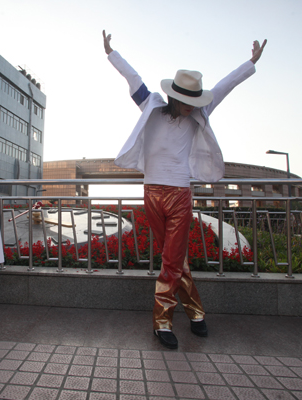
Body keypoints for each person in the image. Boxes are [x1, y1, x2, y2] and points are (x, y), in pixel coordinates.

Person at [102, 30, 266, 349]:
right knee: (174, 260)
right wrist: (111, 53)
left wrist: (251, 62)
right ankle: (196, 313)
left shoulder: (200, 115)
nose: (192, 107)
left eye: (196, 101)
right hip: (151, 194)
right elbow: (131, 77)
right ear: (175, 97)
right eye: (187, 102)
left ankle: (162, 322)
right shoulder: (151, 106)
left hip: (180, 196)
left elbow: (225, 85)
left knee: (172, 261)